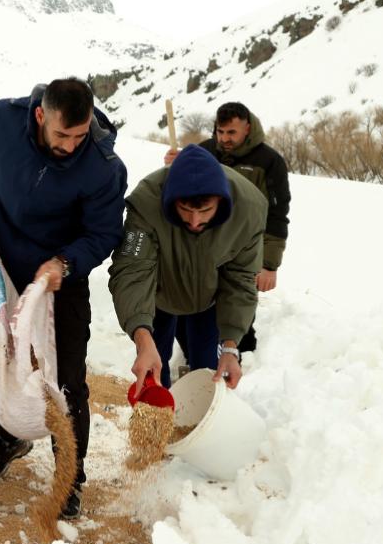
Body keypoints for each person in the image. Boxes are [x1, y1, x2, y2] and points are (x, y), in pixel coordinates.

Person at [0, 78, 127, 519]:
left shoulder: (103, 166)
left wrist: (64, 263)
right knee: (2, 359)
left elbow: (104, 233)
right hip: (4, 269)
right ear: (41, 116)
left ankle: (70, 477)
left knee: (66, 381)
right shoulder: (4, 120)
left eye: (79, 136)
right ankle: (9, 438)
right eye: (62, 134)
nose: (70, 146)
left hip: (61, 279)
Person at [109, 144, 267, 391]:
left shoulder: (248, 209)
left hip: (209, 296)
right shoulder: (147, 202)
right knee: (154, 360)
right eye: (185, 210)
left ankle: (200, 409)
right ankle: (157, 407)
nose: (195, 221)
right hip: (158, 294)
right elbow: (132, 270)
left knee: (206, 366)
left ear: (221, 201)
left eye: (205, 210)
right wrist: (142, 336)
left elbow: (241, 278)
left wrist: (230, 345)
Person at [166, 102, 290, 354]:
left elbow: (276, 215)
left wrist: (269, 264)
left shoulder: (269, 161)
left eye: (231, 132)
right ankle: (196, 359)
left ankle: (241, 358)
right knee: (193, 309)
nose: (224, 139)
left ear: (248, 128)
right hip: (202, 245)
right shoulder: (204, 152)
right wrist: (174, 167)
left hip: (243, 247)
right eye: (220, 132)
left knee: (238, 306)